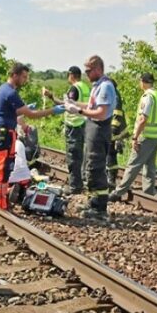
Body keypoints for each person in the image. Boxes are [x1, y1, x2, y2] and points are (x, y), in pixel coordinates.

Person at [0, 62, 64, 210]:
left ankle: (3, 200)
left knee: (6, 169)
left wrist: (23, 110)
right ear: (15, 75)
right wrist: (52, 111)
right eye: (23, 77)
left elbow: (12, 112)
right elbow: (32, 115)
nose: (25, 80)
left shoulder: (4, 89)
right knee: (2, 168)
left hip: (6, 133)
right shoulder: (10, 92)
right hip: (4, 134)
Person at [64, 55, 117, 219]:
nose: (86, 74)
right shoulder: (97, 86)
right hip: (93, 128)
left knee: (96, 167)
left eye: (89, 70)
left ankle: (99, 208)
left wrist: (78, 111)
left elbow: (100, 113)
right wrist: (73, 104)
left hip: (100, 129)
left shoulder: (106, 87)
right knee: (90, 167)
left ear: (98, 69)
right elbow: (90, 106)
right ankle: (92, 201)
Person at [109, 73, 157, 200]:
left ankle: (118, 193)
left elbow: (143, 119)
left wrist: (135, 137)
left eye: (140, 81)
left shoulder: (148, 97)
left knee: (133, 164)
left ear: (144, 82)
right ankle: (149, 194)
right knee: (150, 166)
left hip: (145, 136)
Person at [43, 66, 90, 194]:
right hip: (83, 123)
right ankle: (79, 182)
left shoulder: (75, 88)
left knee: (73, 157)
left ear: (72, 75)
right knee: (79, 155)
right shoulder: (85, 87)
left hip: (74, 126)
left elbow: (66, 106)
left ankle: (75, 186)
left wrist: (51, 97)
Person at [106, 78, 128, 189]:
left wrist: (113, 130)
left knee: (110, 154)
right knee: (109, 154)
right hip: (112, 128)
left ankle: (111, 180)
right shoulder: (113, 94)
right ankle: (109, 178)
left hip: (113, 129)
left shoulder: (114, 96)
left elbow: (116, 114)